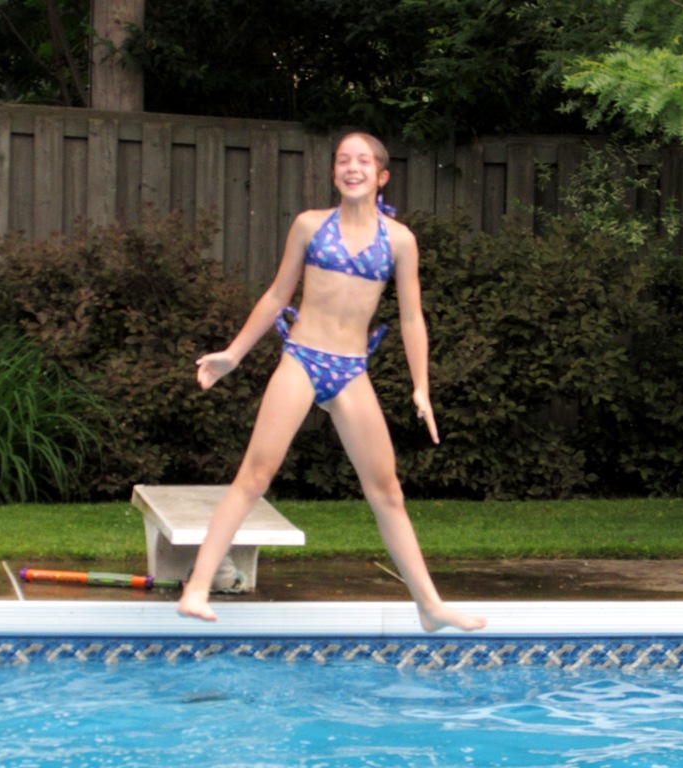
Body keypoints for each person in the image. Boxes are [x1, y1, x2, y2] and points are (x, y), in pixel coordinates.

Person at [177, 132, 487, 633]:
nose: (352, 167)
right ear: (334, 174)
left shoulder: (399, 240)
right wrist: (233, 354)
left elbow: (412, 317)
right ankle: (196, 587)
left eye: (363, 160)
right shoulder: (309, 226)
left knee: (387, 491)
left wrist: (421, 386)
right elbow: (277, 295)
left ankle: (430, 606)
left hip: (350, 370)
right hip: (302, 359)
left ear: (382, 176)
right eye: (343, 160)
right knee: (255, 476)